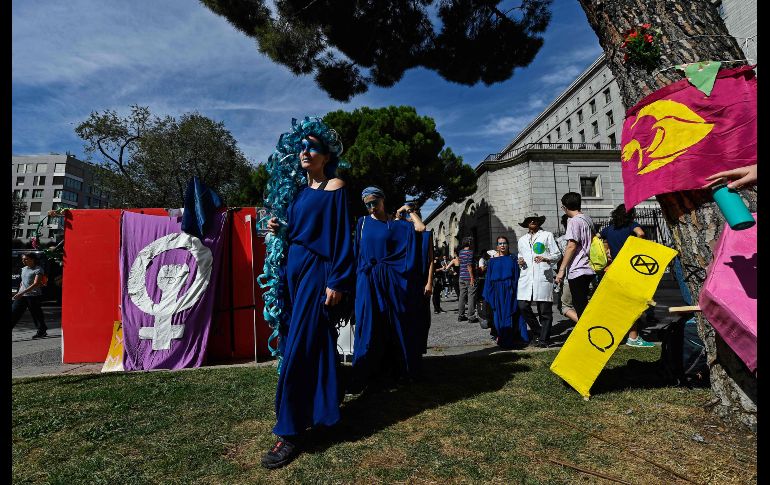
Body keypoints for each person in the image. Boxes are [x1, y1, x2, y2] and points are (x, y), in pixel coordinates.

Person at [262, 121, 355, 469]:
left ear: (326, 155)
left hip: (318, 271)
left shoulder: (336, 186)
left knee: (301, 345)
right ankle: (324, 412)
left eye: (312, 147)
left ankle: (289, 431)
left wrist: (337, 280)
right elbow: (293, 231)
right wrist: (278, 227)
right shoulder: (298, 193)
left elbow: (343, 238)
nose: (304, 151)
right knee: (306, 342)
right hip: (292, 271)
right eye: (301, 146)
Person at [352, 187, 426, 394]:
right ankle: (364, 374)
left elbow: (420, 229)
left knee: (394, 323)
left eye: (375, 202)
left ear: (383, 200)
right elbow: (357, 254)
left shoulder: (395, 225)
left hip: (390, 280)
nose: (371, 207)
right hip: (367, 280)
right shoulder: (362, 223)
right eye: (367, 204)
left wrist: (408, 210)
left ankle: (399, 371)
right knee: (368, 324)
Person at [599, 204, 655, 348]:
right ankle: (633, 337)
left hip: (614, 269)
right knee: (632, 303)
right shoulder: (632, 225)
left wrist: (606, 251)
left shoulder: (609, 229)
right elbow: (641, 233)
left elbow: (597, 237)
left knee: (618, 303)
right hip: (630, 268)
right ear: (631, 215)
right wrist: (638, 247)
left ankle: (619, 333)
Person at [516, 213, 559, 347]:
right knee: (522, 306)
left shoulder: (547, 235)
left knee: (544, 311)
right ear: (526, 223)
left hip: (542, 276)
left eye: (535, 220)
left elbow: (557, 254)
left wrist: (546, 259)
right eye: (529, 220)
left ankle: (544, 340)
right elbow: (521, 255)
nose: (533, 221)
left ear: (539, 222)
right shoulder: (522, 239)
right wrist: (520, 260)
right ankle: (539, 331)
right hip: (526, 277)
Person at [482, 236, 528, 348]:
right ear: (497, 246)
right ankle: (501, 336)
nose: (502, 245)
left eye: (504, 243)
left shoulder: (513, 259)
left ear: (508, 245)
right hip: (497, 292)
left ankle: (510, 338)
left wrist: (517, 291)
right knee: (497, 315)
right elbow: (488, 279)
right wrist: (488, 293)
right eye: (500, 243)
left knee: (510, 313)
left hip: (510, 290)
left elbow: (517, 277)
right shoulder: (491, 261)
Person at [555, 192, 596, 319]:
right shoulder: (587, 219)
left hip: (578, 269)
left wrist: (561, 270)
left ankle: (589, 334)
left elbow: (571, 246)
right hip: (590, 267)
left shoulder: (573, 221)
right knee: (586, 304)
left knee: (580, 307)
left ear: (565, 207)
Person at [11, 252, 48, 338]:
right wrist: (19, 291)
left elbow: (36, 283)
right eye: (22, 259)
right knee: (13, 312)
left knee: (36, 314)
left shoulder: (38, 269)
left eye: (25, 259)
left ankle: (42, 330)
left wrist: (21, 293)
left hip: (33, 296)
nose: (23, 261)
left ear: (32, 260)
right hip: (22, 296)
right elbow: (22, 282)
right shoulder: (23, 269)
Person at [555, 214, 578, 324]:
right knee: (582, 303)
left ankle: (586, 324)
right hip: (587, 274)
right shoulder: (585, 236)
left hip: (569, 276)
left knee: (564, 306)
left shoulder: (560, 241)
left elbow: (558, 261)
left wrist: (559, 274)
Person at [456, 237, 479, 323]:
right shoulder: (470, 252)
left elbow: (460, 263)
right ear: (469, 243)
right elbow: (469, 266)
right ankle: (471, 316)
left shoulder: (460, 252)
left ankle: (461, 316)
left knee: (462, 296)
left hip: (461, 277)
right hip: (469, 277)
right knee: (471, 296)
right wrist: (472, 278)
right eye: (471, 242)